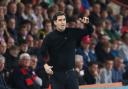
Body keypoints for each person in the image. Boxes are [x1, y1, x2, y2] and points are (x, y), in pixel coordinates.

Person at [41, 11, 94, 89]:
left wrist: (87, 23)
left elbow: (90, 30)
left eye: (64, 20)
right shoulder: (49, 37)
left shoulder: (73, 32)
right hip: (56, 74)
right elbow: (42, 53)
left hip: (71, 73)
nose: (62, 22)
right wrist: (45, 65)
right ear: (55, 22)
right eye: (60, 20)